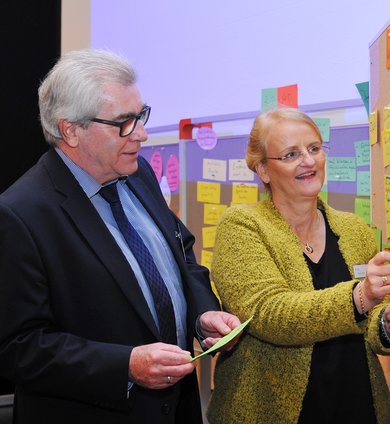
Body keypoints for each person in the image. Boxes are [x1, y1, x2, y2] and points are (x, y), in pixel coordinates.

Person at [0, 49, 241, 423]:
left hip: (177, 409)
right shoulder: (21, 213)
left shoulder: (138, 173)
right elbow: (18, 346)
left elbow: (181, 254)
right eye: (124, 122)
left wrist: (202, 313)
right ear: (70, 130)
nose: (142, 134)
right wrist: (125, 366)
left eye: (141, 115)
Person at [207, 108, 390, 424]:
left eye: (314, 148)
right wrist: (359, 298)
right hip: (271, 410)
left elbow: (372, 322)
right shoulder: (242, 226)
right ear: (264, 169)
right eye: (291, 154)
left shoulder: (354, 229)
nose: (308, 161)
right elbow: (268, 314)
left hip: (356, 405)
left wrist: (388, 325)